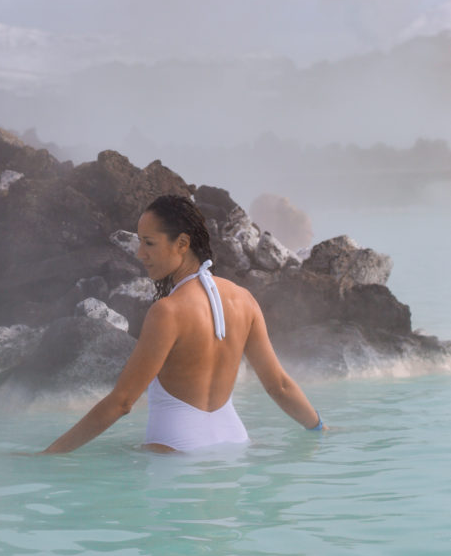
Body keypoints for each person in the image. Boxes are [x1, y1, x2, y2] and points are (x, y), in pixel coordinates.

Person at [43, 194, 324, 454]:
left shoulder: (167, 312)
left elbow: (123, 401)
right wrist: (319, 428)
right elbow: (279, 386)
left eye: (149, 243)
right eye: (140, 242)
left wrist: (48, 454)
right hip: (234, 442)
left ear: (182, 244)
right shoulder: (244, 300)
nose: (140, 253)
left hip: (176, 447)